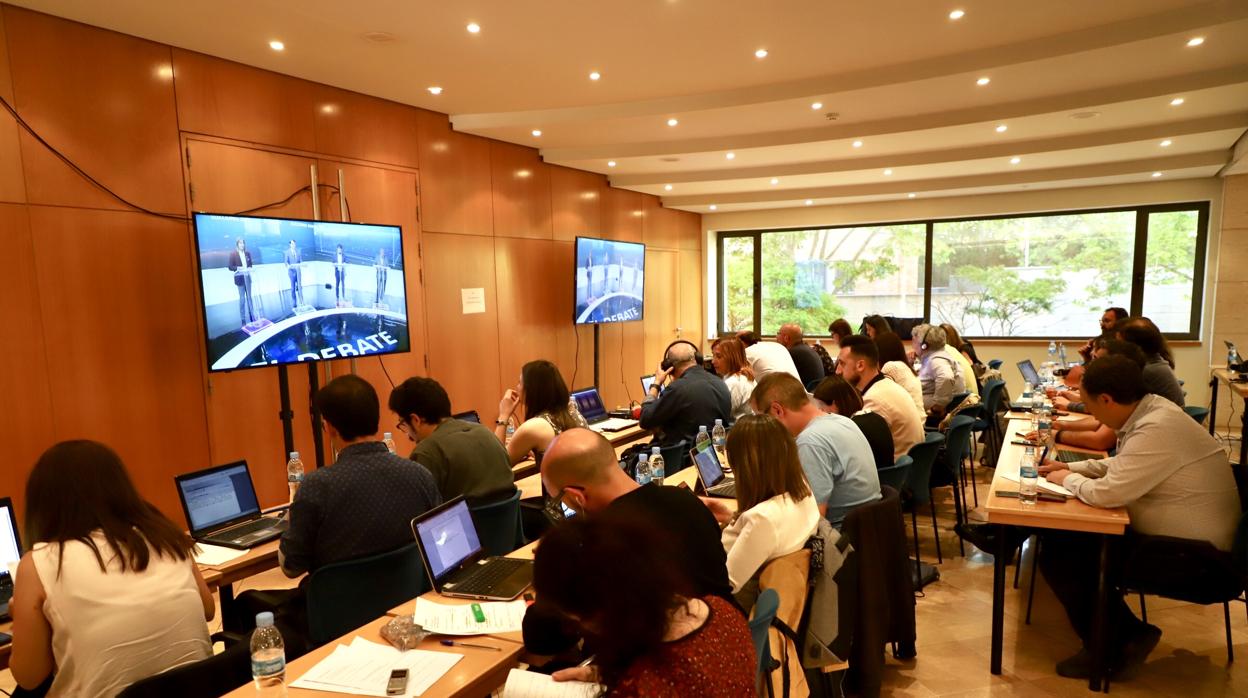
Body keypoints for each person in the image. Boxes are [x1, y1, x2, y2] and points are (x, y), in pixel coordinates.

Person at [1037, 355, 1240, 679]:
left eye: (1091, 406)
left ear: (1106, 399)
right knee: (1066, 540)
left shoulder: (1157, 427)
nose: (1092, 414)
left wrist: (1066, 480)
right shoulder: (1152, 411)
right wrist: (1070, 468)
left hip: (1198, 561)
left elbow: (1108, 493)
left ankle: (1109, 650)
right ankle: (1125, 635)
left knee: (1063, 553)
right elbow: (1121, 466)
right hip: (1186, 547)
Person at [11, 440, 214, 697]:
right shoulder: (165, 536)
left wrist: (25, 620)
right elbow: (208, 609)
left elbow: (29, 677)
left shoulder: (41, 563)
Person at [250, 376, 440, 646]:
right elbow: (437, 545)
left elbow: (291, 567)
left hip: (332, 623)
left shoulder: (317, 486)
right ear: (376, 419)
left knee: (245, 605)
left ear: (328, 427)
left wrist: (295, 517)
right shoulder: (419, 474)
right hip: (405, 611)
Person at [525, 428, 736, 657]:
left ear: (577, 496)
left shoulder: (601, 542)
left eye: (558, 499)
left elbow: (541, 639)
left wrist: (548, 578)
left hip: (660, 668)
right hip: (723, 643)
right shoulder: (686, 500)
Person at [534, 515, 756, 696]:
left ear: (600, 613)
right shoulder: (721, 610)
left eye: (577, 621)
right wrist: (607, 674)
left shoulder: (644, 687)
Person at [702, 414, 820, 600]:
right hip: (783, 596)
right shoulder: (802, 491)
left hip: (743, 606)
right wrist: (732, 517)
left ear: (744, 467)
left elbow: (724, 585)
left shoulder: (763, 519)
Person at [751, 373, 881, 527]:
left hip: (841, 537)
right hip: (870, 530)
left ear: (777, 410)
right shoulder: (843, 421)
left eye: (761, 418)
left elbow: (814, 519)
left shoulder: (809, 443)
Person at [390, 376, 514, 505]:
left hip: (465, 525)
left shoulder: (426, 453)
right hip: (507, 524)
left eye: (403, 424)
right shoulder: (485, 432)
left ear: (415, 420)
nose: (407, 435)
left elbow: (418, 510)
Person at [835, 335, 924, 458]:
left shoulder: (875, 399)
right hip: (909, 468)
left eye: (842, 363)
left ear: (860, 365)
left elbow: (854, 447)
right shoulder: (886, 385)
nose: (837, 371)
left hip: (894, 473)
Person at [494, 360, 585, 466]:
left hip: (563, 482)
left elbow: (498, 465)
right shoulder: (573, 413)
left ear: (531, 389)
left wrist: (503, 416)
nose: (517, 387)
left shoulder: (534, 427)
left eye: (519, 382)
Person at [642, 342, 732, 448]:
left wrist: (656, 383)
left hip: (684, 458)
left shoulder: (678, 388)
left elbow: (645, 419)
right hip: (715, 453)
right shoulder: (720, 382)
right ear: (696, 359)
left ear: (669, 366)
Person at [813, 376, 894, 471]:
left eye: (821, 406)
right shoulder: (876, 417)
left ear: (835, 404)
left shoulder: (851, 428)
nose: (820, 412)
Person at [1117, 319, 1184, 407]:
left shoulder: (1147, 370)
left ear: (1133, 346)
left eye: (1119, 344)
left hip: (1165, 418)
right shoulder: (1155, 361)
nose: (1117, 348)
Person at [911, 324, 967, 419]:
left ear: (924, 346)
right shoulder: (938, 356)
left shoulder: (936, 360)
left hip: (936, 415)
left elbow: (946, 377)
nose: (912, 345)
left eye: (914, 341)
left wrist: (937, 407)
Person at [875, 330, 926, 416]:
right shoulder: (904, 366)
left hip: (908, 422)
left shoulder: (890, 366)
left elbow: (877, 396)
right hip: (917, 421)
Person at [710, 336, 757, 420]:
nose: (713, 361)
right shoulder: (744, 376)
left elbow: (719, 414)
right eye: (713, 356)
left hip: (739, 428)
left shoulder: (734, 382)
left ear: (732, 358)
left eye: (719, 356)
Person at [736, 330, 801, 380]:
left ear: (741, 343)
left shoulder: (747, 353)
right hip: (801, 393)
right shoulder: (777, 346)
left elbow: (736, 378)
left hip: (776, 394)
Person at [777, 323, 825, 387]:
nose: (776, 337)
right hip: (815, 392)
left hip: (805, 394)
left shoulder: (792, 354)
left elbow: (780, 379)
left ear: (786, 338)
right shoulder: (806, 350)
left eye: (778, 333)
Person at [227, 237, 257, 327]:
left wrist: (250, 268)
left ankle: (252, 315)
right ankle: (243, 319)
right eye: (240, 243)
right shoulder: (233, 254)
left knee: (249, 298)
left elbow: (250, 264)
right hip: (240, 278)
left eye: (243, 243)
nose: (242, 245)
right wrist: (237, 268)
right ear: (237, 244)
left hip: (247, 277)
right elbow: (230, 266)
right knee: (242, 299)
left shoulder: (247, 253)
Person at [284, 239, 303, 306]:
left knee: (300, 287)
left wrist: (302, 264)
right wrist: (289, 266)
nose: (293, 245)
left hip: (298, 271)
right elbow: (286, 263)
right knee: (293, 288)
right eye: (292, 244)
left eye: (294, 244)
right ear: (290, 245)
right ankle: (294, 302)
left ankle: (302, 301)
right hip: (291, 272)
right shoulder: (287, 252)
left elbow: (301, 261)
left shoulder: (298, 251)